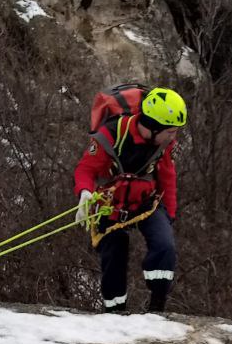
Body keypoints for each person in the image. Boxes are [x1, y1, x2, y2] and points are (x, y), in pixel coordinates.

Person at [74, 86, 187, 313]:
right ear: (155, 128)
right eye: (172, 131)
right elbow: (85, 169)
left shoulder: (164, 144)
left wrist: (169, 216)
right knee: (114, 253)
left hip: (146, 203)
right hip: (111, 205)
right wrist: (84, 192)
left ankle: (157, 309)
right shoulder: (111, 134)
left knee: (165, 246)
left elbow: (167, 177)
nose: (174, 136)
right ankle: (115, 313)